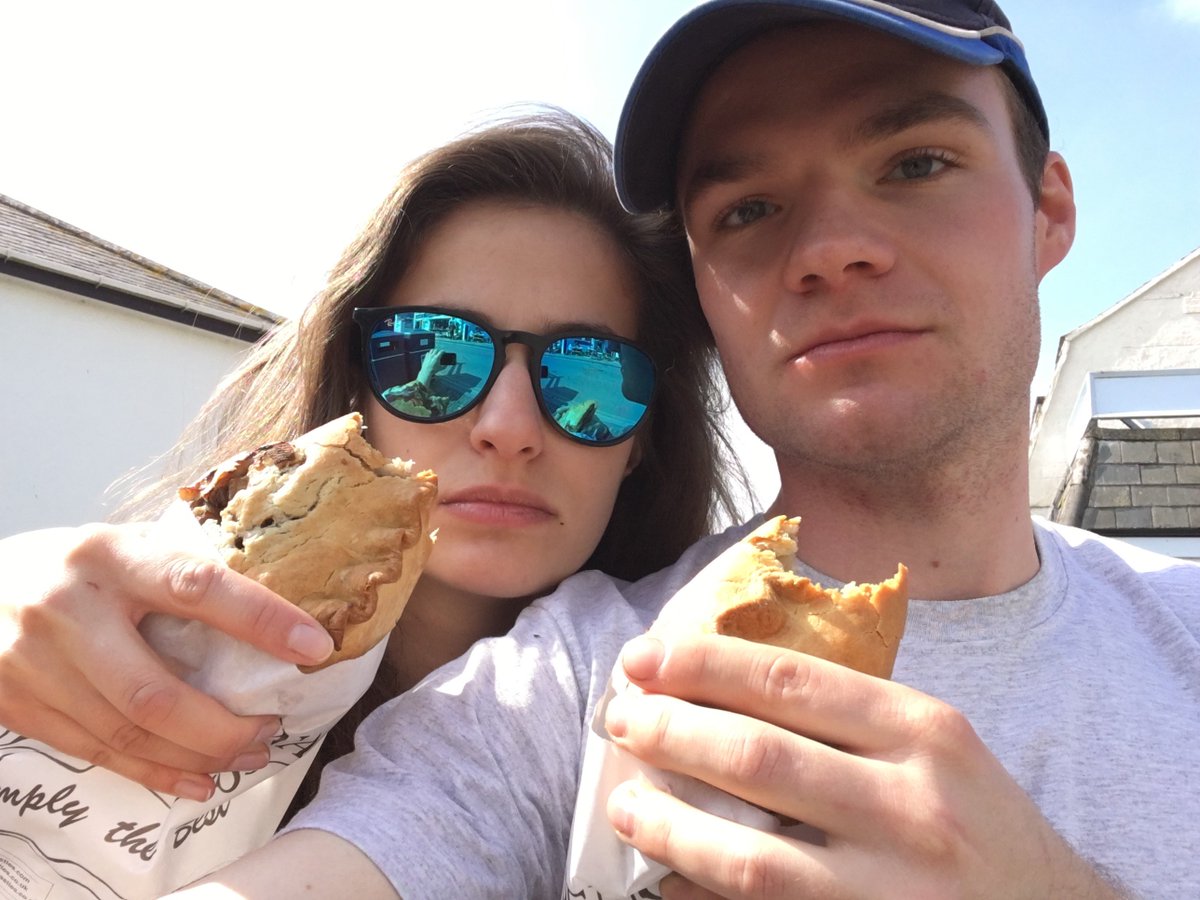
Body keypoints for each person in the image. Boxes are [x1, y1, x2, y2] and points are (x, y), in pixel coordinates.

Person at [12, 3, 1200, 898]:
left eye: (915, 164)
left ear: (1051, 208)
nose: (834, 248)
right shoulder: (570, 679)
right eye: (747, 209)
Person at [0, 108, 744, 820]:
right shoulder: (131, 652)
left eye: (590, 375)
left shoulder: (711, 737)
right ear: (352, 386)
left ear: (643, 434)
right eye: (431, 352)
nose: (508, 428)